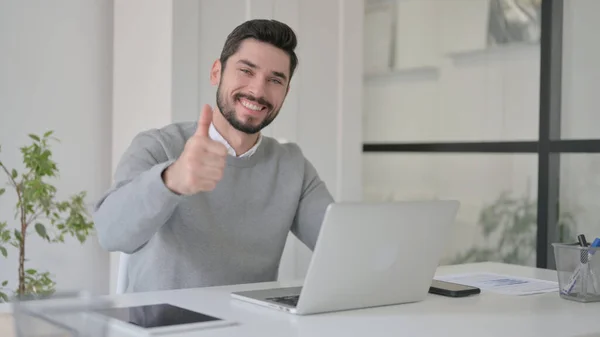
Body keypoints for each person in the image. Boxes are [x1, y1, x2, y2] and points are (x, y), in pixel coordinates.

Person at [93, 19, 334, 293]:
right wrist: (171, 180)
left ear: (286, 92)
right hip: (164, 326)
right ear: (216, 72)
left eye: (275, 80)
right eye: (246, 71)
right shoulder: (158, 145)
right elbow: (110, 233)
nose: (258, 91)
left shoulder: (292, 165)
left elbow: (338, 245)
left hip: (253, 326)